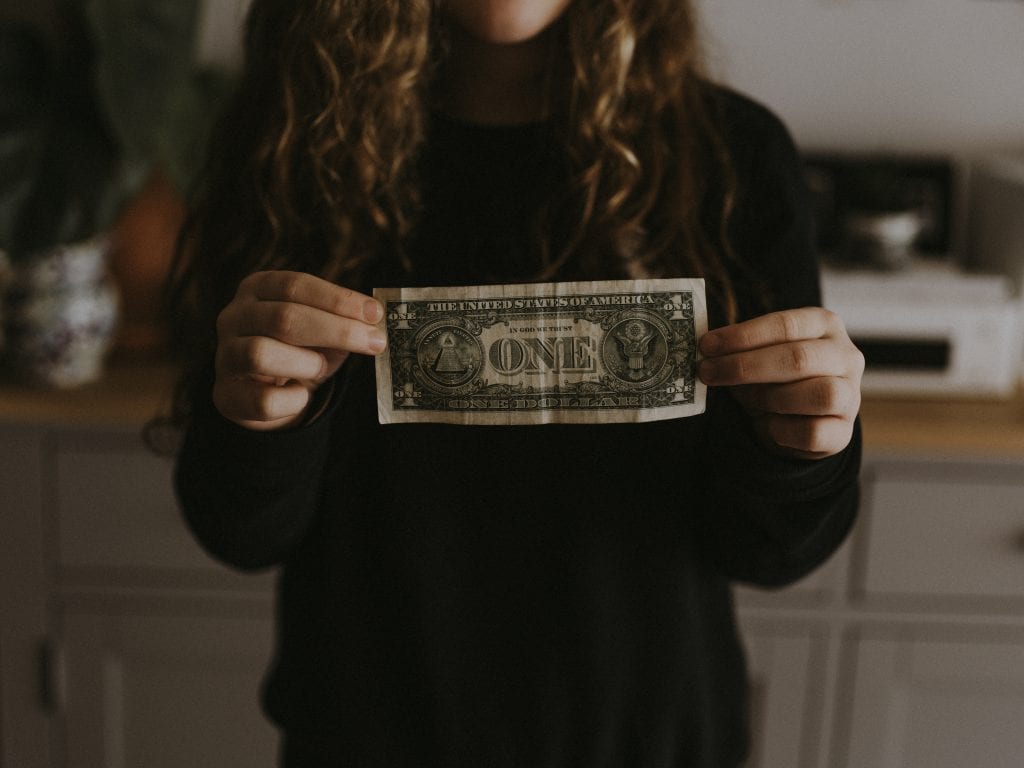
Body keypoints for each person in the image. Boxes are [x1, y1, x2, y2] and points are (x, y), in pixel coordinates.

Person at [168, 1, 864, 766]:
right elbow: (241, 531)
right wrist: (255, 421)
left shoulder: (732, 156)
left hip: (646, 740)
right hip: (368, 741)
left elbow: (768, 553)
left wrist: (804, 449)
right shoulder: (289, 145)